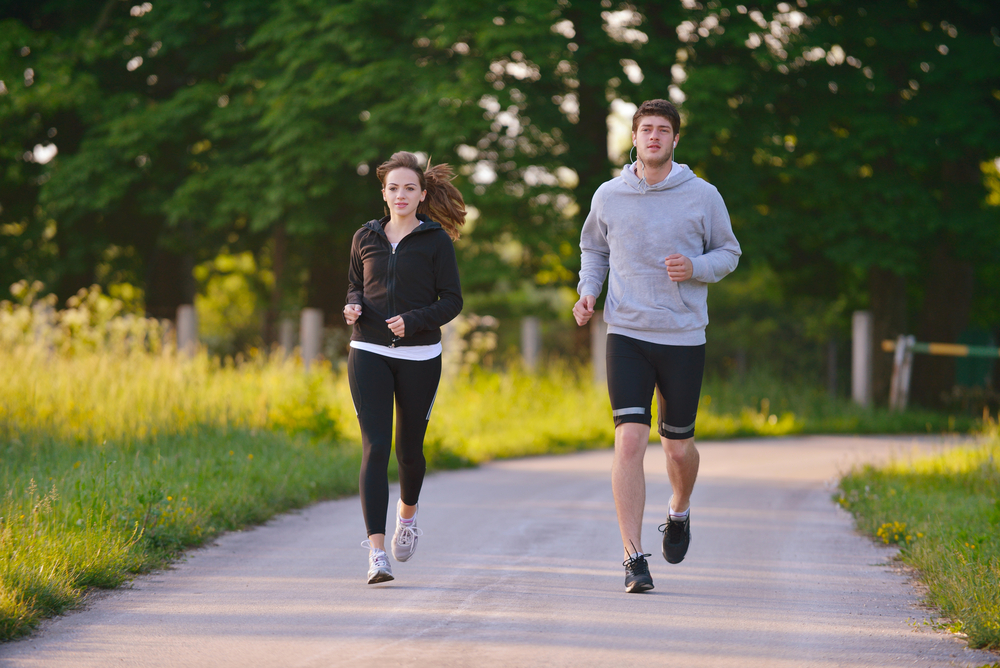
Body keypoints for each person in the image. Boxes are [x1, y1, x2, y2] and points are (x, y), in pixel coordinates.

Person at [573, 99, 741, 593]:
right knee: (630, 438)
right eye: (646, 129)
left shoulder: (703, 195)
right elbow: (593, 248)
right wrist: (588, 291)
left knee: (678, 447)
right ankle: (632, 556)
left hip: (683, 335)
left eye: (662, 130)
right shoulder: (609, 194)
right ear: (634, 137)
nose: (653, 137)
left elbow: (729, 251)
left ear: (674, 140)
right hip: (626, 331)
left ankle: (680, 510)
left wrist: (696, 268)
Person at [343, 151, 465, 584]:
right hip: (369, 352)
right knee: (376, 448)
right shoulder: (364, 237)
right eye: (393, 188)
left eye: (409, 188)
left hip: (419, 357)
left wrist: (414, 321)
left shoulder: (435, 241)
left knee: (408, 452)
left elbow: (452, 300)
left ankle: (407, 520)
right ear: (383, 193)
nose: (401, 195)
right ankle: (377, 554)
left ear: (422, 194)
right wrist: (353, 306)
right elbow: (356, 286)